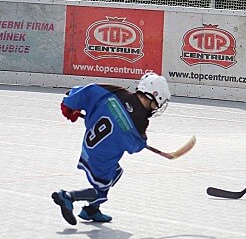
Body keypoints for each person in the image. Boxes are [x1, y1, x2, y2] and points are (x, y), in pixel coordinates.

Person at [51, 72, 171, 225]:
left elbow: (89, 91)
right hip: (102, 158)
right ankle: (67, 196)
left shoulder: (117, 93)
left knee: (117, 173)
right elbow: (134, 147)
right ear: (154, 96)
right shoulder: (140, 121)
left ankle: (91, 210)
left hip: (89, 146)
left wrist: (70, 104)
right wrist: (141, 141)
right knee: (101, 192)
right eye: (158, 103)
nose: (157, 107)